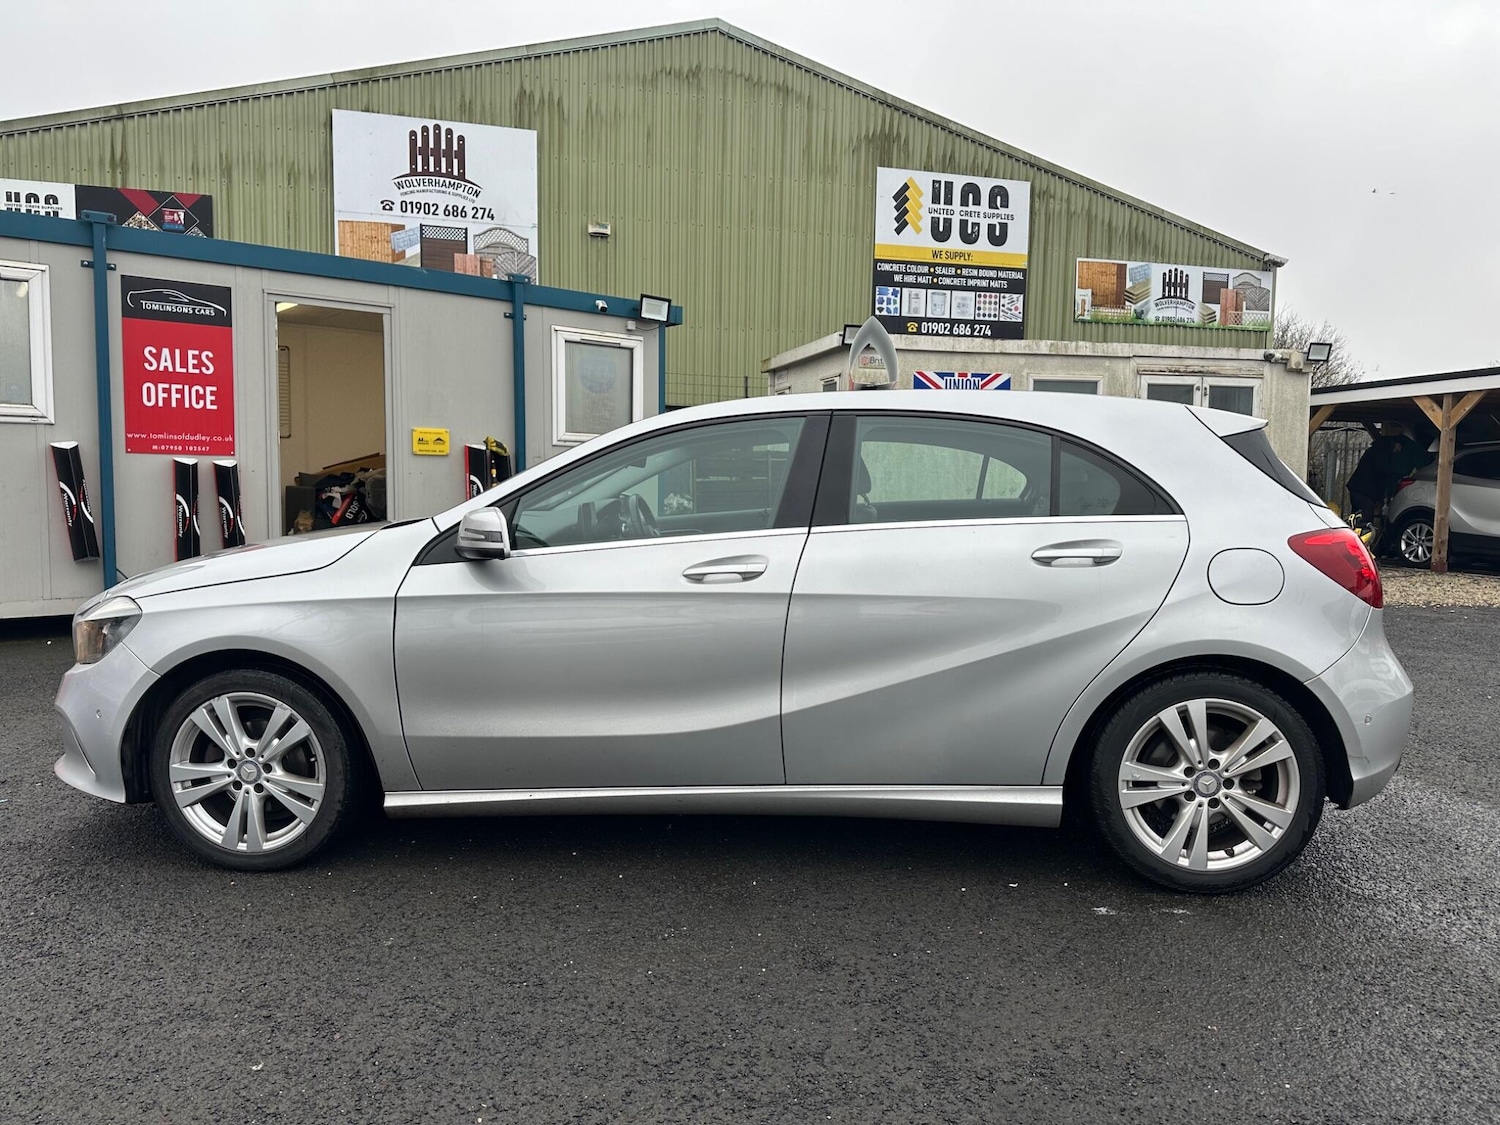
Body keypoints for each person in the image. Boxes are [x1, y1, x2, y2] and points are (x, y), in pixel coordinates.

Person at [1346, 423, 1418, 525]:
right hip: (1364, 490)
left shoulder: (1379, 447)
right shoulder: (1383, 452)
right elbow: (1383, 470)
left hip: (1359, 487)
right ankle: (1362, 534)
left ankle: (1358, 533)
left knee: (1358, 515)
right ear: (1397, 444)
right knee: (1365, 516)